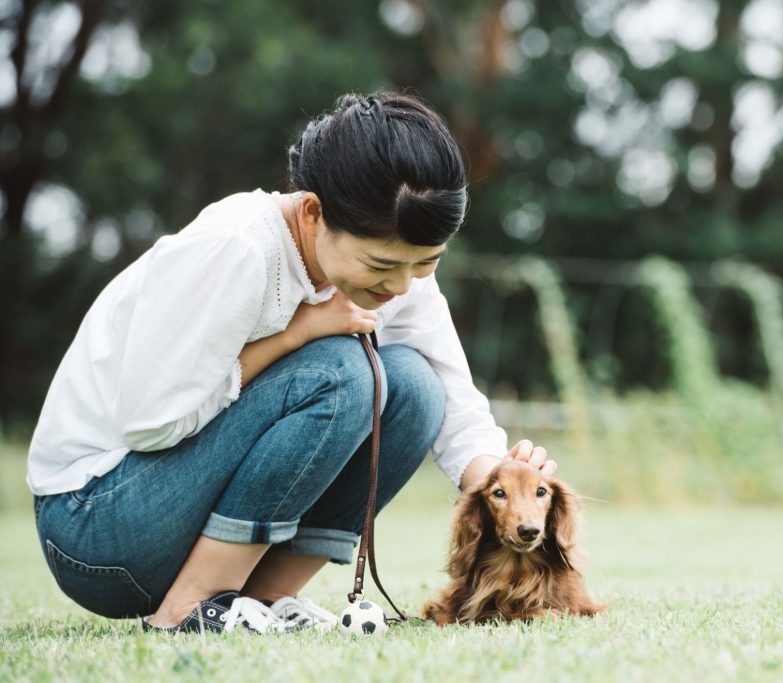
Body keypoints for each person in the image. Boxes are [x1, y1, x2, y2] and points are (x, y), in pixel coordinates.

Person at [27, 91, 556, 633]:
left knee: (415, 385)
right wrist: (295, 335)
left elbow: (451, 392)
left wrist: (504, 479)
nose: (400, 286)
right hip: (97, 528)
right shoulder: (237, 248)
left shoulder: (397, 266)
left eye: (426, 264)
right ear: (312, 212)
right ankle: (188, 608)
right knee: (342, 371)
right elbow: (149, 421)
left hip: (165, 513)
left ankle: (267, 597)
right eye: (382, 264)